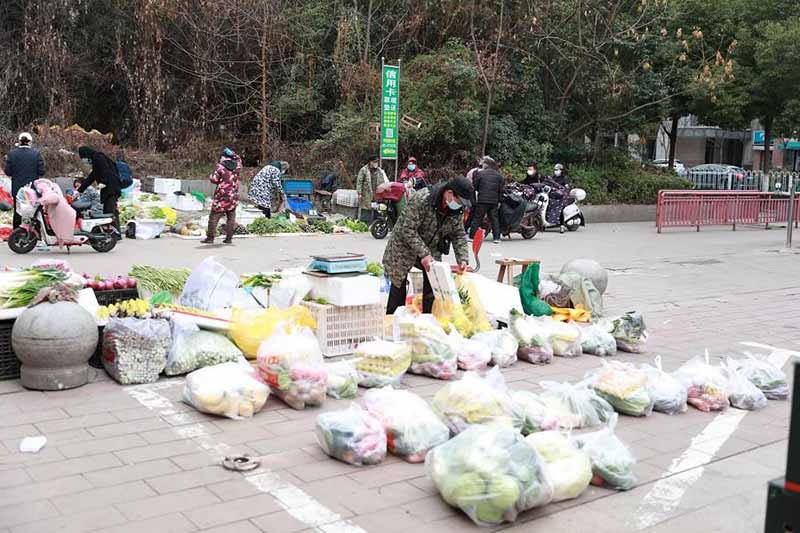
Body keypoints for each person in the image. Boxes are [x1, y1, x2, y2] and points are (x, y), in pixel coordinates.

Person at [383, 176, 473, 315]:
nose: (460, 205)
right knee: (398, 285)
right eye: (459, 201)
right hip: (404, 245)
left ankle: (428, 320)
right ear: (449, 193)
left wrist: (463, 259)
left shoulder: (456, 211)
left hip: (431, 248)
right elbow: (407, 229)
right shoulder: (423, 199)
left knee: (433, 284)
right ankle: (393, 320)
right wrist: (424, 253)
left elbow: (458, 234)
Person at [4, 132, 45, 228]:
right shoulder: (36, 154)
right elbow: (41, 172)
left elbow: (8, 172)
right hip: (32, 188)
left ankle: (17, 232)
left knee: (18, 211)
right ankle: (33, 231)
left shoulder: (12, 154)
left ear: (19, 141)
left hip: (17, 188)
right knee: (33, 211)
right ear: (30, 142)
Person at [77, 146, 121, 233]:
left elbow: (105, 169)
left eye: (83, 157)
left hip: (111, 187)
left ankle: (113, 232)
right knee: (110, 210)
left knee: (109, 211)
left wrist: (103, 182)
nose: (84, 160)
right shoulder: (95, 161)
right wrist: (80, 190)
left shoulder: (98, 157)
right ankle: (115, 231)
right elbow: (91, 177)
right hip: (109, 188)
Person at [469, 156, 505, 243]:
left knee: (477, 218)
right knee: (494, 219)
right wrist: (500, 201)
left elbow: (474, 187)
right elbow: (501, 190)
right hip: (494, 201)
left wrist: (476, 197)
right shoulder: (499, 176)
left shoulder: (480, 174)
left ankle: (471, 237)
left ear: (486, 165)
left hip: (482, 200)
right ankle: (496, 238)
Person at [356, 155, 388, 222]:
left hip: (376, 194)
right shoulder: (364, 170)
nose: (376, 163)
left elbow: (383, 182)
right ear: (370, 162)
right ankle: (365, 224)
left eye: (377, 162)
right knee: (366, 209)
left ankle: (376, 223)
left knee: (377, 209)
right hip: (366, 194)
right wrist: (359, 193)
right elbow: (359, 182)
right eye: (374, 162)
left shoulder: (379, 171)